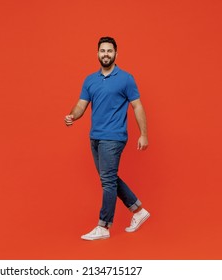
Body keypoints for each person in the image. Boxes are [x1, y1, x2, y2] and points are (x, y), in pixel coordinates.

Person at [64, 36, 150, 240]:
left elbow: (137, 105)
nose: (106, 54)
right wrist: (72, 116)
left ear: (116, 54)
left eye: (109, 51)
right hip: (95, 137)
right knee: (108, 178)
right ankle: (138, 211)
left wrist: (144, 134)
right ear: (97, 54)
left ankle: (103, 226)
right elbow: (80, 105)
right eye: (102, 51)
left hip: (114, 136)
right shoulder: (90, 80)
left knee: (107, 181)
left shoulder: (126, 78)